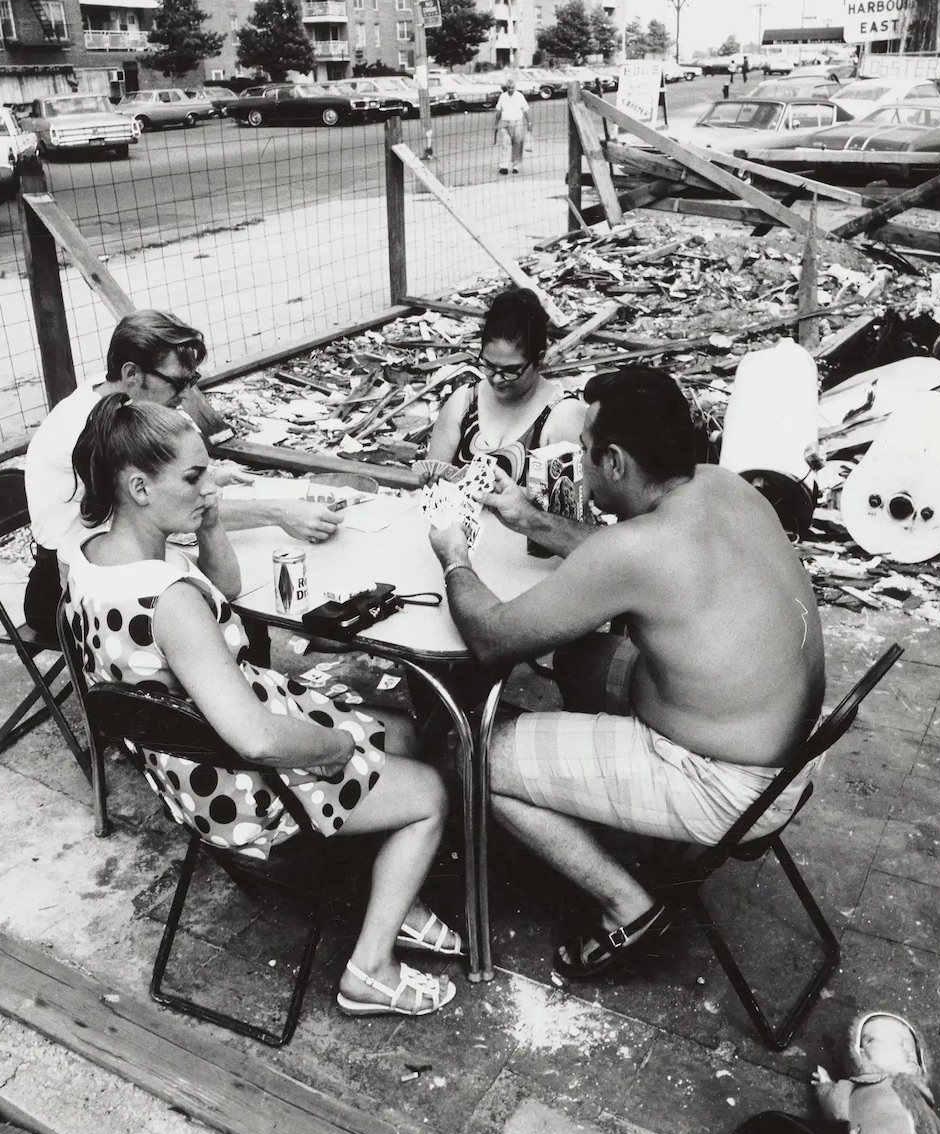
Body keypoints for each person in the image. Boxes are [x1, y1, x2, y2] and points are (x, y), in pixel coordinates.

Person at [426, 365, 825, 982]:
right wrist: (531, 519)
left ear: (613, 461)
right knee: (580, 658)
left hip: (729, 781)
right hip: (788, 750)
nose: (580, 466)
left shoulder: (639, 547)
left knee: (470, 750)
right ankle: (601, 809)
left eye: (584, 453)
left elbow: (490, 638)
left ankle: (629, 907)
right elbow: (637, 563)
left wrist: (454, 556)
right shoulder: (724, 486)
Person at [65, 396, 459, 1017]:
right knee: (432, 792)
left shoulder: (95, 555)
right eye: (194, 477)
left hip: (183, 766)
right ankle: (370, 970)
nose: (210, 485)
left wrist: (208, 518)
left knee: (402, 732)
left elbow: (221, 589)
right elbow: (257, 739)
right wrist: (338, 749)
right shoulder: (167, 601)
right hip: (240, 783)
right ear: (140, 487)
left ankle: (396, 897)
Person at [23, 310, 343, 643]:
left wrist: (206, 475)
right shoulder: (89, 429)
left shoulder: (114, 396)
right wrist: (278, 512)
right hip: (65, 591)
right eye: (178, 382)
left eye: (192, 380)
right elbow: (167, 508)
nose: (187, 393)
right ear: (131, 373)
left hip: (115, 564)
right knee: (228, 614)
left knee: (225, 594)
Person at [415, 288, 586, 488]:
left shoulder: (565, 418)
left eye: (510, 370)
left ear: (538, 360)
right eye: (488, 365)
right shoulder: (464, 403)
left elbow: (568, 512)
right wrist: (432, 484)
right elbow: (434, 474)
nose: (496, 379)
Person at [493, 77, 531, 174]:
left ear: (515, 87)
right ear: (506, 87)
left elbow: (526, 110)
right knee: (505, 144)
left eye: (512, 88)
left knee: (517, 144)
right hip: (505, 123)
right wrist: (496, 124)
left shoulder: (519, 96)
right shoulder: (503, 96)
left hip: (517, 122)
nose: (510, 90)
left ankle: (516, 165)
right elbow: (498, 111)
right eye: (509, 88)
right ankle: (504, 166)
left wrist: (529, 122)